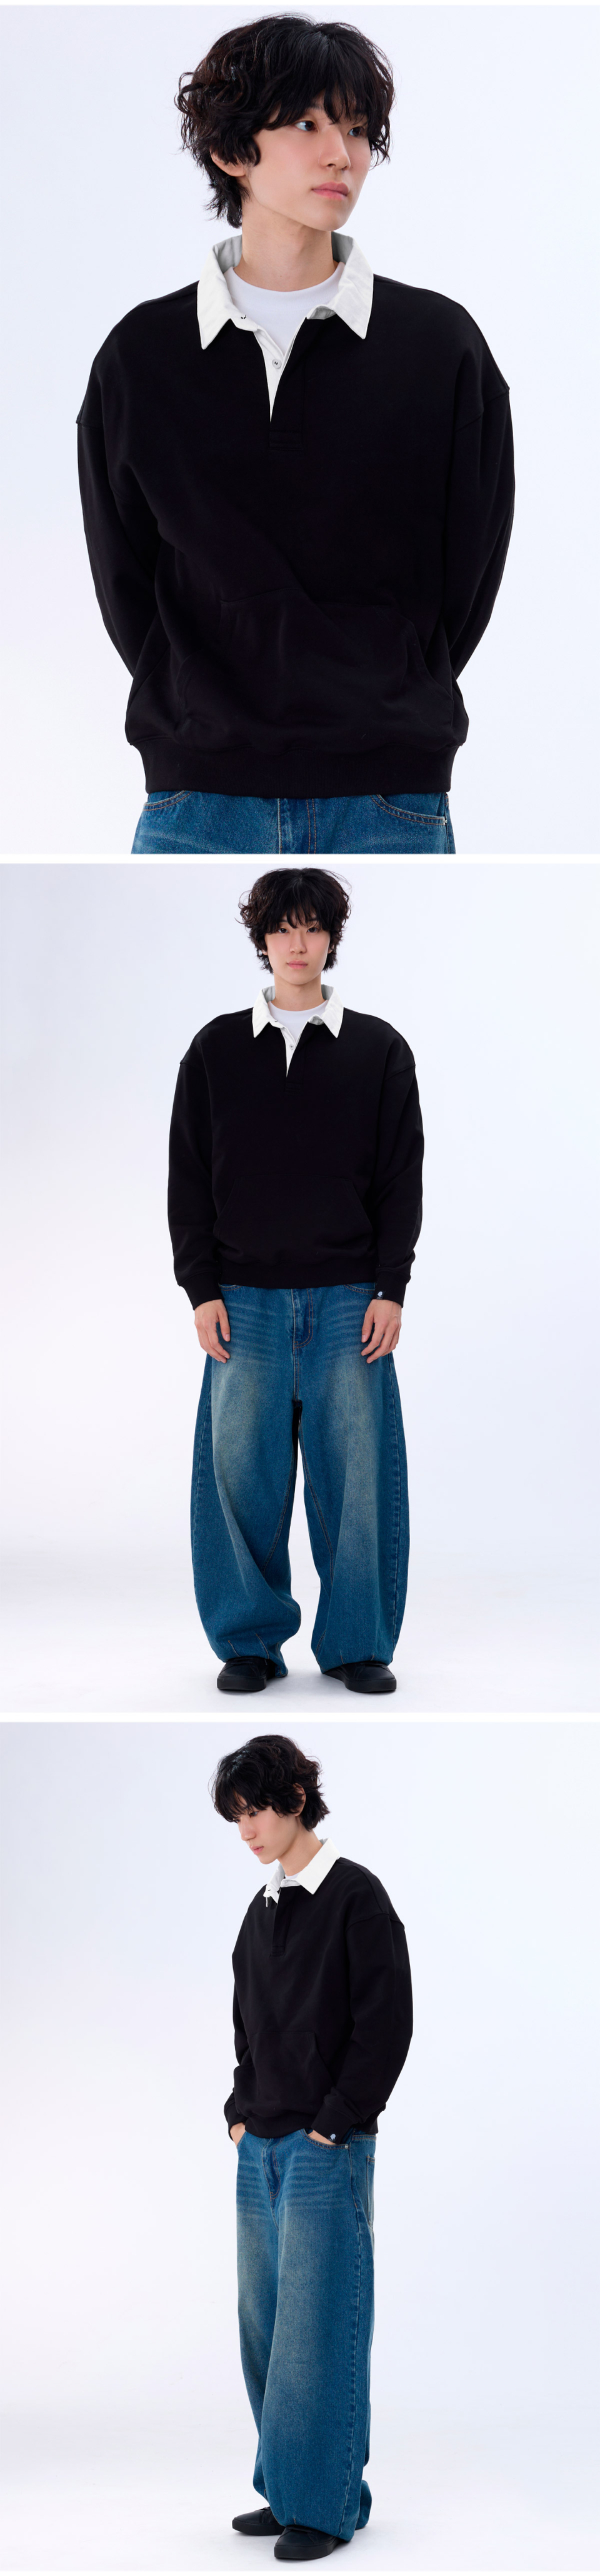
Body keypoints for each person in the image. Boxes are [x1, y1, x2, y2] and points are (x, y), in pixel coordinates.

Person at [77, 13, 514, 858]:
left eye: (358, 128)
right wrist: (202, 709)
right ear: (231, 150)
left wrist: (386, 694)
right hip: (196, 801)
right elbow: (126, 579)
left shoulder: (440, 347)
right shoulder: (141, 357)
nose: (342, 155)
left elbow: (471, 568)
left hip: (389, 797)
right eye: (308, 124)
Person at [168, 864, 424, 1695]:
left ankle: (357, 1645)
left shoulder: (378, 1049)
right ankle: (249, 1642)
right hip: (243, 1300)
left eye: (313, 926)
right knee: (240, 1478)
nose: (298, 943)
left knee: (358, 1480)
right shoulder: (215, 1049)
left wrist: (391, 1287)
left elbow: (401, 1178)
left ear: (332, 938)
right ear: (263, 939)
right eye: (283, 927)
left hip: (350, 1298)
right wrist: (201, 1288)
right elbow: (188, 1177)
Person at [212, 1731, 413, 2561]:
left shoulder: (356, 1897)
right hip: (257, 2146)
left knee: (319, 2330)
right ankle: (294, 2491)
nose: (247, 1830)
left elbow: (387, 2022)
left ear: (296, 1800)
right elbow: (247, 2024)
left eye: (256, 1810)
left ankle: (324, 2510)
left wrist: (338, 2120)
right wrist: (238, 2109)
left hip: (325, 2149)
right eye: (236, 1817)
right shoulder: (261, 1910)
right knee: (265, 2329)